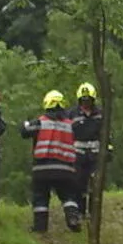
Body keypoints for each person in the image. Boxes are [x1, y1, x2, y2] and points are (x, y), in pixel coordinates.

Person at [21, 90, 81, 233]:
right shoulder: (71, 125)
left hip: (42, 169)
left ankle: (40, 228)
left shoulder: (40, 122)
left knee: (40, 198)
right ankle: (73, 219)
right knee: (68, 196)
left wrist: (25, 123)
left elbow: (24, 132)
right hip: (65, 169)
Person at [70, 82, 103, 216]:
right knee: (79, 183)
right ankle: (80, 211)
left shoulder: (100, 114)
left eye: (88, 100)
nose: (86, 103)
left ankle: (94, 212)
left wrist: (108, 150)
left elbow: (106, 133)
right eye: (83, 100)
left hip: (95, 154)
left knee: (95, 183)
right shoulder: (72, 113)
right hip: (78, 154)